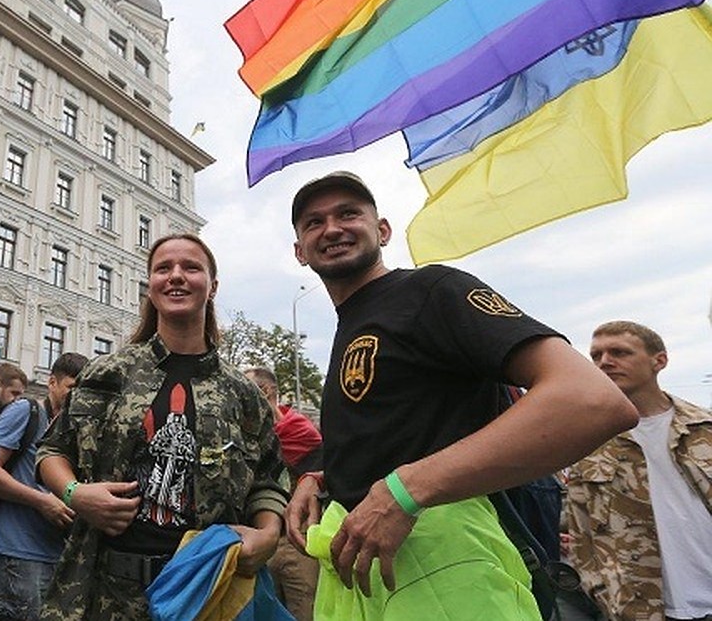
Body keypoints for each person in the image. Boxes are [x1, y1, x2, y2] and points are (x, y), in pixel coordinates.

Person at [282, 171, 638, 619]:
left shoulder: (431, 291)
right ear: (299, 252)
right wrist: (319, 477)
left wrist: (407, 491)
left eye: (348, 213)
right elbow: (404, 432)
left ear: (383, 230)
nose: (332, 228)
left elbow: (590, 399)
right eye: (314, 222)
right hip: (372, 583)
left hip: (456, 576)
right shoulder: (351, 325)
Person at [36, 233, 287, 620]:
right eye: (163, 268)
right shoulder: (108, 374)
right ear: (150, 287)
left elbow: (268, 480)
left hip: (205, 590)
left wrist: (268, 535)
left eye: (191, 267)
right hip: (106, 592)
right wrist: (76, 493)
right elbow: (53, 450)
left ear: (212, 286)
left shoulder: (242, 394)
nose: (176, 276)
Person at [565, 321, 712, 621]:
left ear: (659, 361)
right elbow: (581, 538)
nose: (605, 362)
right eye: (596, 356)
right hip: (645, 609)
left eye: (619, 352)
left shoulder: (705, 428)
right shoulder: (585, 443)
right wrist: (604, 594)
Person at [0, 352, 89, 620]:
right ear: (51, 382)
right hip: (15, 556)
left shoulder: (74, 427)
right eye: (72, 388)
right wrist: (41, 501)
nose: (79, 397)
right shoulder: (26, 411)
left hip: (55, 556)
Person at [244, 365, 322, 620]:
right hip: (265, 540)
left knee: (305, 611)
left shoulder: (299, 430)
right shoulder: (251, 433)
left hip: (298, 541)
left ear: (266, 391)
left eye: (247, 388)